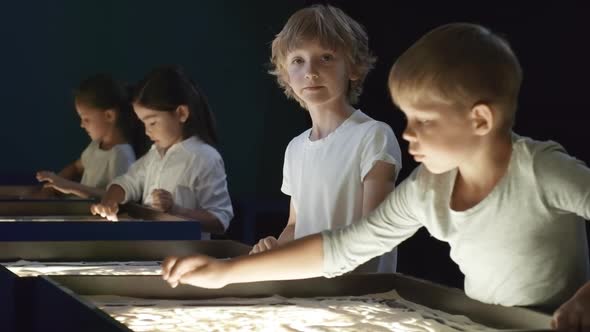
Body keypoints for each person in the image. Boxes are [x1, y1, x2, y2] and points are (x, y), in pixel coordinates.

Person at [162, 23, 590, 331]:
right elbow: (344, 247)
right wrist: (226, 272)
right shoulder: (428, 187)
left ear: (479, 119)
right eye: (406, 117)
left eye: (424, 120)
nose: (407, 133)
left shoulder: (542, 169)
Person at [249, 4, 402, 273]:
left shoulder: (373, 136)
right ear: (285, 73)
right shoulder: (295, 149)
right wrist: (275, 249)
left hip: (361, 298)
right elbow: (295, 226)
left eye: (326, 57)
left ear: (353, 67)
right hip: (309, 292)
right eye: (298, 60)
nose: (311, 71)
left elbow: (375, 233)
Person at [91, 66, 233, 238]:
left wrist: (176, 210)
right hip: (150, 252)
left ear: (181, 113)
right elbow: (126, 182)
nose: (146, 131)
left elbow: (220, 220)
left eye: (152, 123)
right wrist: (109, 201)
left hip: (186, 257)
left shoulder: (205, 157)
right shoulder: (154, 155)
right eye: (143, 124)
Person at [36, 74, 136, 198]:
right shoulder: (95, 146)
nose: (82, 125)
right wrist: (52, 185)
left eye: (86, 119)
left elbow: (116, 196)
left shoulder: (121, 155)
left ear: (109, 116)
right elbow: (76, 167)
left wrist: (69, 186)